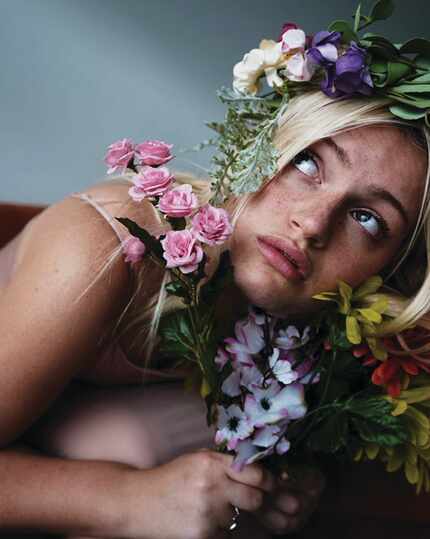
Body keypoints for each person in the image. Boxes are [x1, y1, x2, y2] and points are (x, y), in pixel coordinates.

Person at [1, 14, 430, 539]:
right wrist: (124, 499)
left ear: (390, 271)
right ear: (260, 149)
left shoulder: (326, 332)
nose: (313, 225)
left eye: (368, 219)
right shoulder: (106, 252)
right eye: (307, 163)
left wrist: (281, 489)